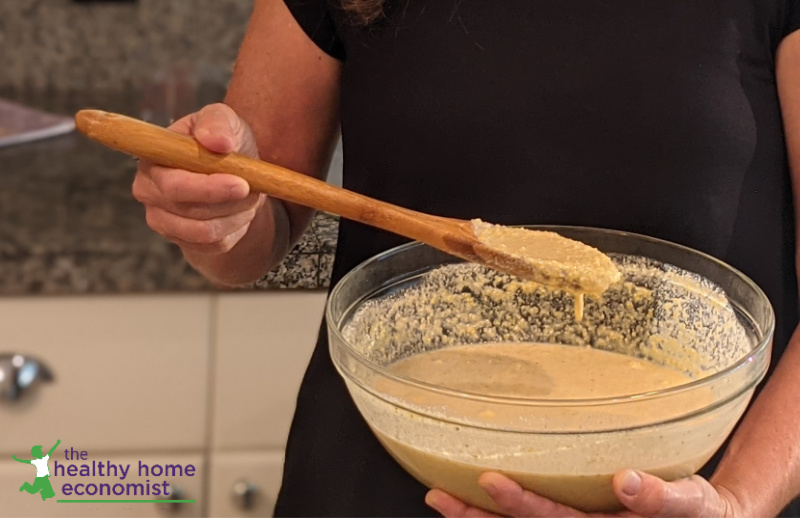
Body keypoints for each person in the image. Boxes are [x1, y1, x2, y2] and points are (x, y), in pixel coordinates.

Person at [131, 0, 800, 516]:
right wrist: (218, 212)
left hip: (688, 490)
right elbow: (260, 215)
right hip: (378, 476)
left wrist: (739, 499)